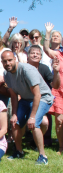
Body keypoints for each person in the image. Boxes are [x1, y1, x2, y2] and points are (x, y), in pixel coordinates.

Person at [1, 51, 54, 165]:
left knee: (34, 124)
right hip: (25, 99)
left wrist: (32, 116)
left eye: (10, 60)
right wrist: (14, 114)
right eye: (5, 61)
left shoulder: (27, 70)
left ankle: (42, 156)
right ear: (2, 62)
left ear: (15, 59)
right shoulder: (6, 74)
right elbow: (14, 96)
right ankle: (19, 151)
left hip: (43, 98)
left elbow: (37, 95)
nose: (7, 63)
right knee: (14, 122)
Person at [27, 44, 61, 147]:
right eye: (33, 53)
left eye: (38, 54)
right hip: (25, 99)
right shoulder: (23, 67)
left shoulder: (44, 69)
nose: (35, 55)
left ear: (41, 57)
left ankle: (36, 141)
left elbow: (55, 85)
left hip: (41, 101)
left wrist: (56, 72)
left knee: (45, 123)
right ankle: (17, 146)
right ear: (28, 55)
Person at [43, 22, 63, 154]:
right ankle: (61, 147)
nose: (56, 37)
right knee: (60, 120)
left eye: (57, 35)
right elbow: (45, 48)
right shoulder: (57, 54)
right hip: (59, 89)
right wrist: (48, 32)